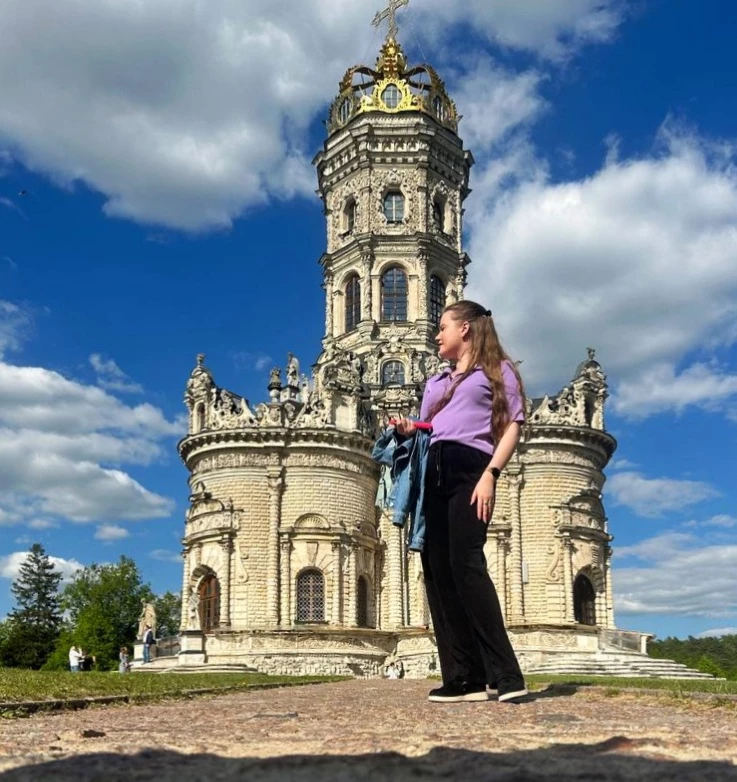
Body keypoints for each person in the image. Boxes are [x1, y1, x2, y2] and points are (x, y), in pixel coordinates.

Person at [396, 301, 528, 704]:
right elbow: (431, 430)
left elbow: (512, 426)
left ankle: (505, 674)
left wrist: (491, 474)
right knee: (436, 571)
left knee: (467, 564)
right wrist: (407, 429)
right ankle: (463, 676)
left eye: (443, 326)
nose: (437, 334)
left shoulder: (497, 370)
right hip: (432, 468)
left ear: (466, 329)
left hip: (470, 465)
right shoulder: (436, 382)